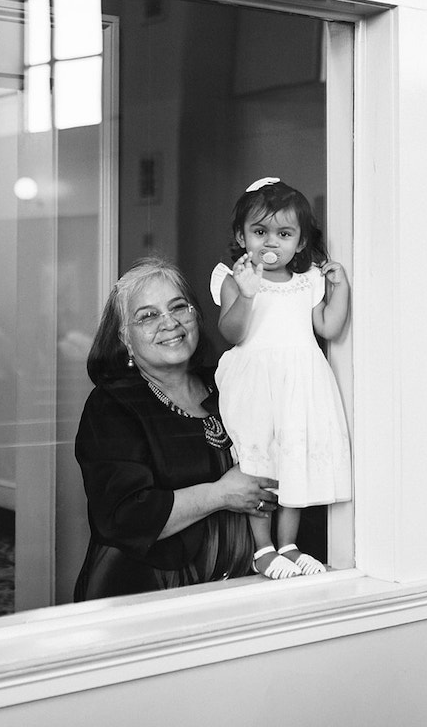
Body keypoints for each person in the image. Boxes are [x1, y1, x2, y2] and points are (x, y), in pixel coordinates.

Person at [73, 257, 280, 601]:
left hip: (247, 586)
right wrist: (222, 494)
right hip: (149, 594)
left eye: (178, 307)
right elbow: (124, 516)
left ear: (196, 316)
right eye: (148, 316)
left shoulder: (228, 382)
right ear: (124, 337)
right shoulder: (111, 405)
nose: (169, 323)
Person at [211, 176, 352, 579]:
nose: (271, 243)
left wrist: (338, 289)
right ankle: (262, 549)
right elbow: (233, 332)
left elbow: (329, 327)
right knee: (262, 465)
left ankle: (288, 545)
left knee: (293, 462)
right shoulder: (232, 278)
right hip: (257, 383)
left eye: (284, 233)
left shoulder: (307, 282)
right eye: (260, 232)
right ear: (242, 236)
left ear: (301, 242)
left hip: (299, 383)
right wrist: (247, 291)